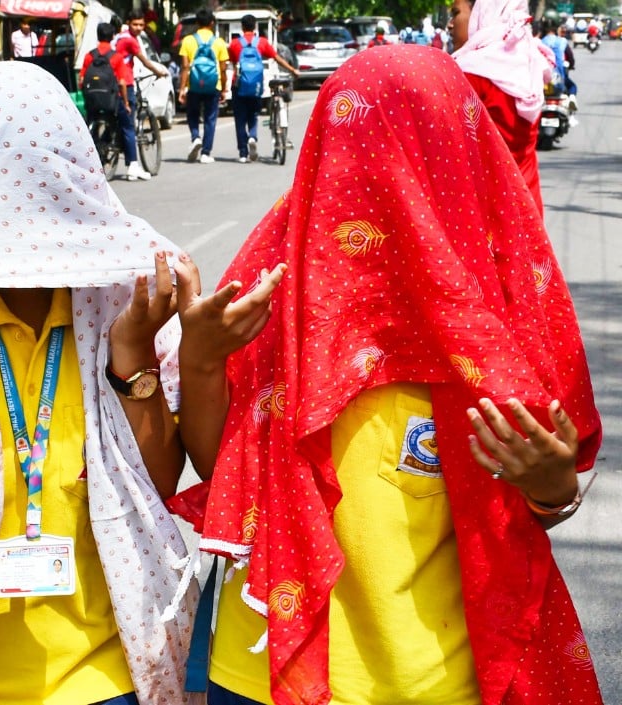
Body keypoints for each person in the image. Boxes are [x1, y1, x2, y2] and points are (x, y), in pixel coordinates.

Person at [172, 45, 603, 705]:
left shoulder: (503, 318)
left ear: (458, 163)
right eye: (356, 150)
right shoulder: (272, 294)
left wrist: (552, 487)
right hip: (265, 665)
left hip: (434, 681)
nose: (382, 183)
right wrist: (201, 361)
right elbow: (219, 474)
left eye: (408, 156)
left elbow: (525, 513)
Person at [0, 61, 214, 705]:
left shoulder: (123, 303)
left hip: (107, 676)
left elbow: (159, 487)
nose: (15, 205)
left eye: (37, 176)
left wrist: (131, 360)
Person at [451, 0, 553, 213]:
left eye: (455, 13)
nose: (451, 24)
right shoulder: (528, 59)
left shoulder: (471, 74)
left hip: (488, 214)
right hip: (528, 206)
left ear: (481, 12)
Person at [82, 22, 150, 181]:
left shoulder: (89, 55)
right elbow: (121, 83)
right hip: (113, 100)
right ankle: (132, 165)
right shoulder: (116, 57)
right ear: (112, 36)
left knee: (91, 127)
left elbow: (82, 79)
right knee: (128, 127)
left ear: (98, 36)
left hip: (93, 99)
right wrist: (126, 103)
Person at [227, 15, 298, 163]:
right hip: (256, 85)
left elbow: (233, 62)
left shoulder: (234, 44)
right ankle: (252, 136)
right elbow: (276, 57)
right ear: (255, 27)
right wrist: (292, 69)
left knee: (240, 118)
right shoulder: (262, 42)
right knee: (253, 114)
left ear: (242, 27)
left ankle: (242, 153)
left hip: (239, 84)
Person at [179, 8, 227, 163]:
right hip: (214, 85)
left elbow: (185, 67)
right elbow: (223, 68)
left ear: (197, 23)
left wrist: (182, 88)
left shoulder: (188, 40)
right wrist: (224, 88)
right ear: (212, 23)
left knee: (192, 114)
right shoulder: (219, 43)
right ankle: (206, 153)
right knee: (210, 118)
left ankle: (195, 137)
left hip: (194, 84)